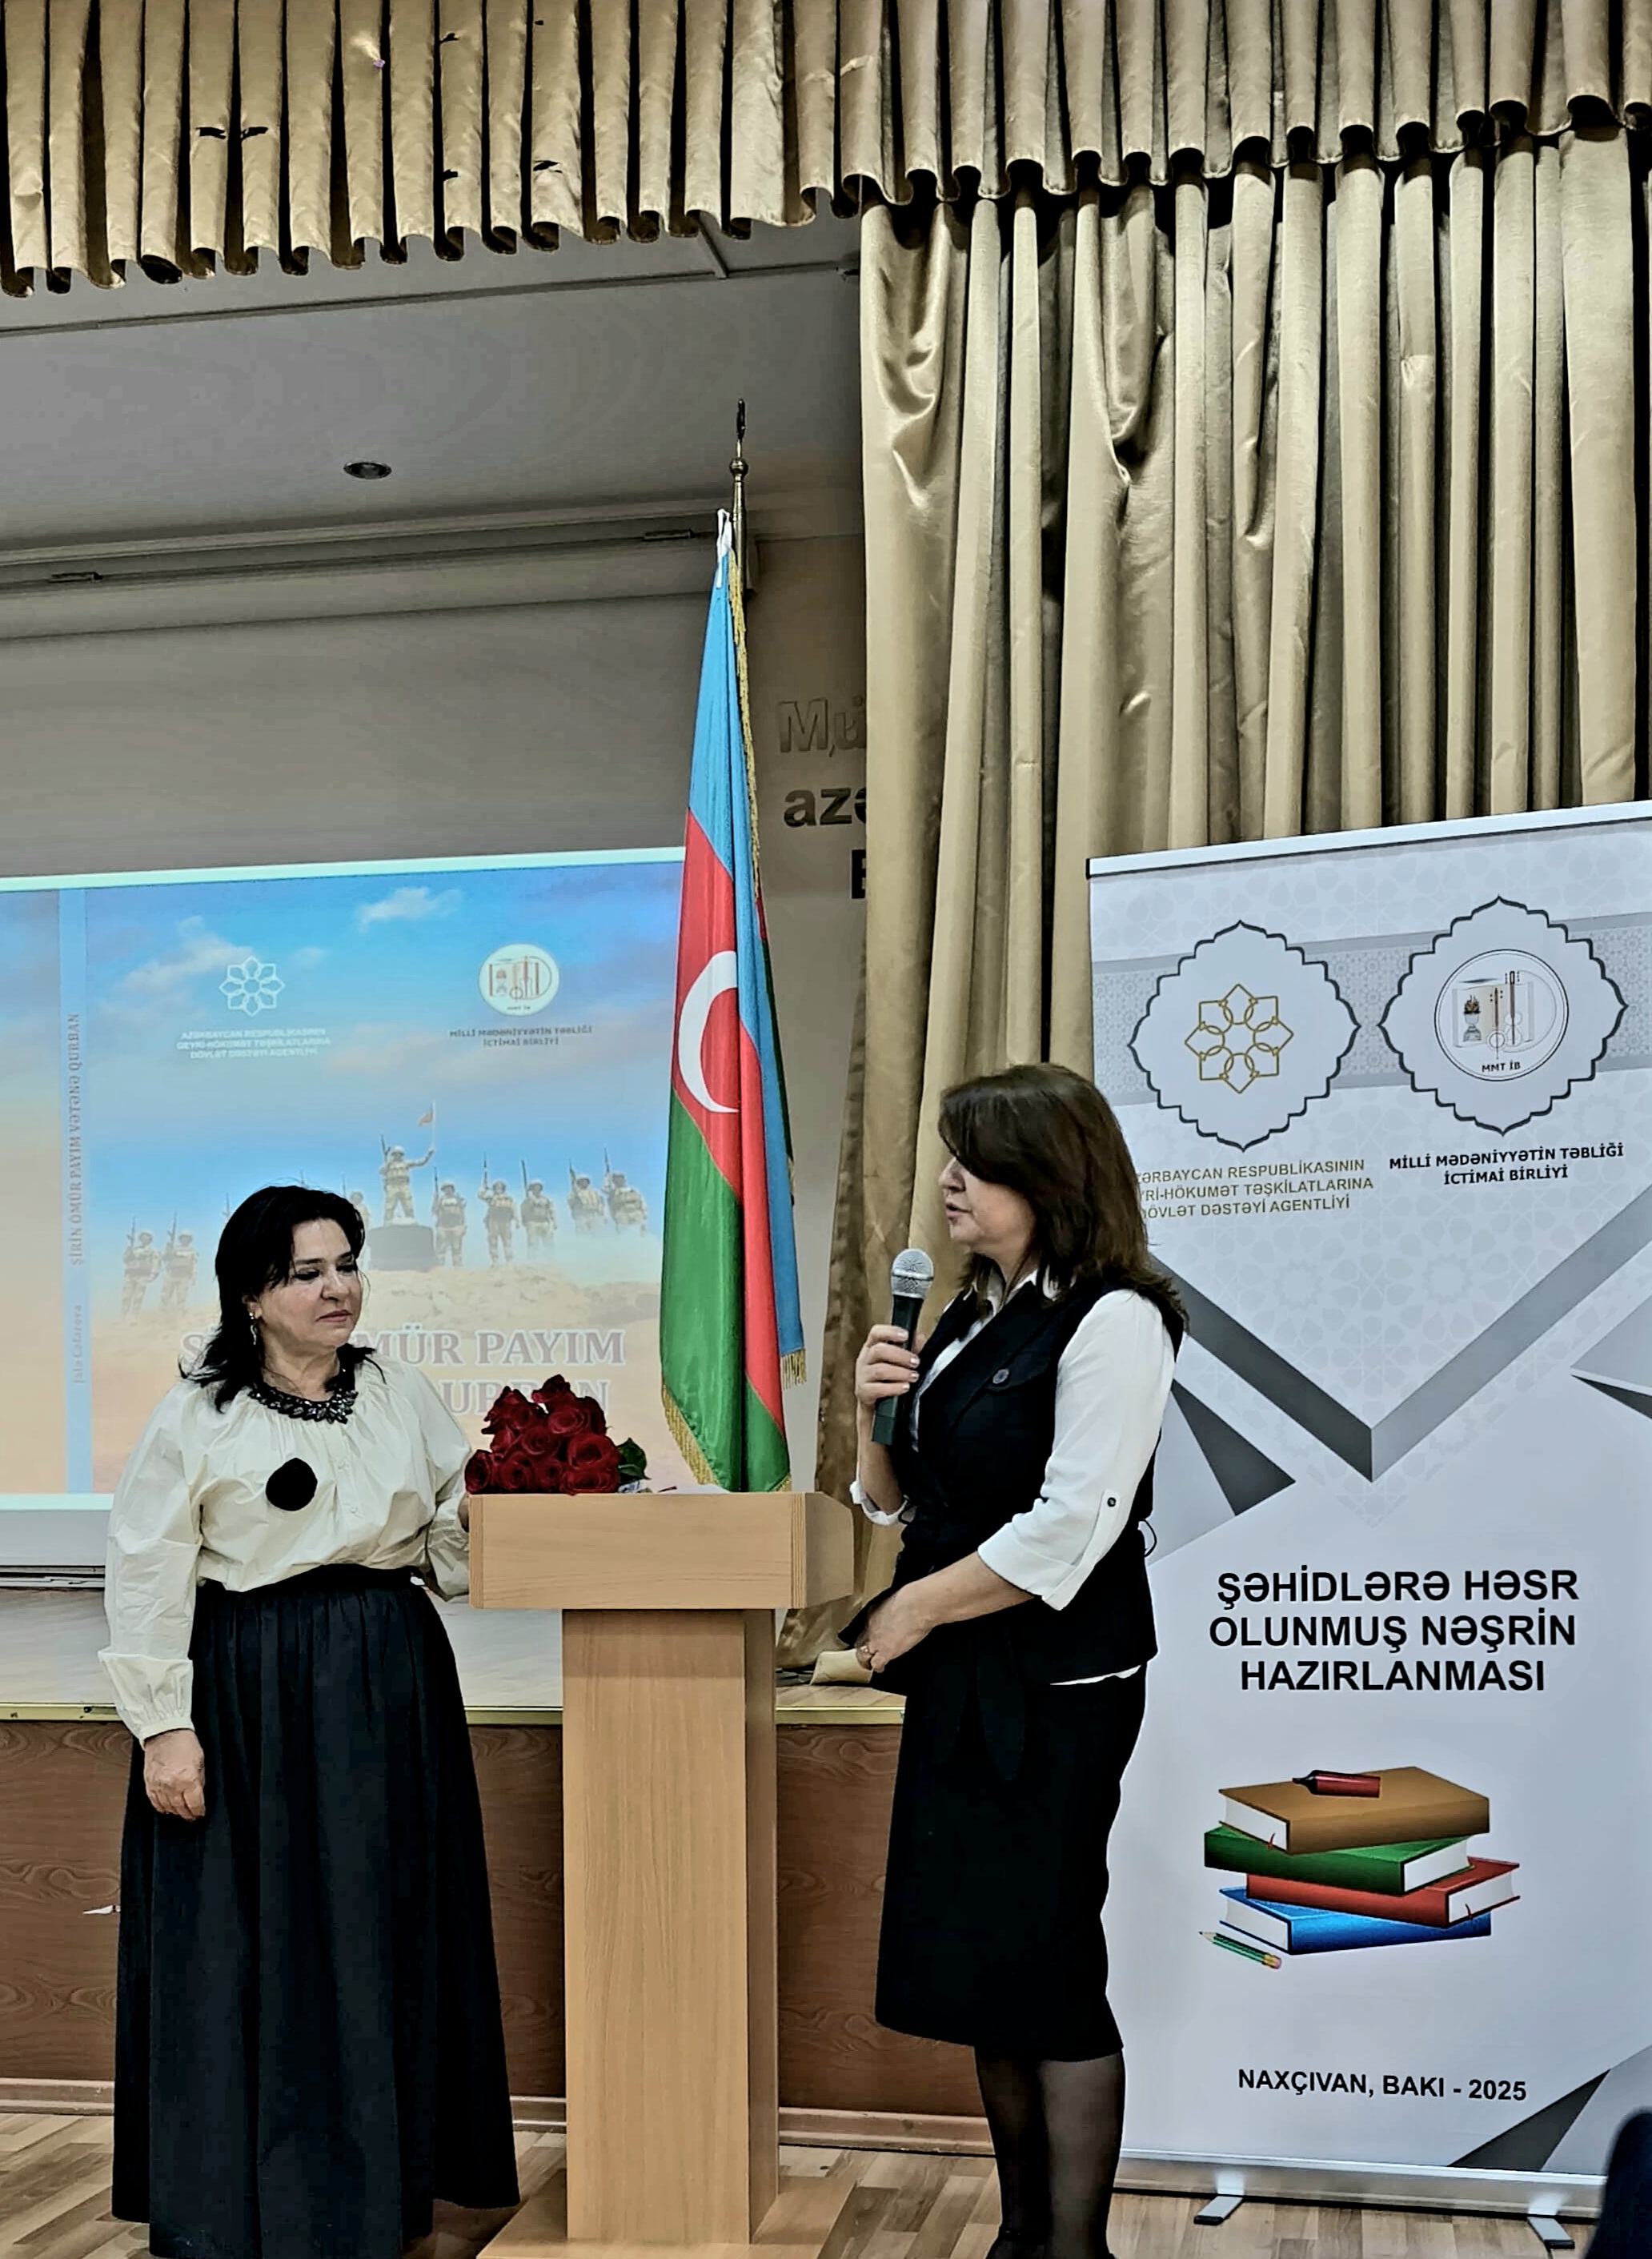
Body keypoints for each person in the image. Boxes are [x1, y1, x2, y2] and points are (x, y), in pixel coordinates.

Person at [101, 1186, 519, 2259]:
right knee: (257, 1934)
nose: (338, 1288)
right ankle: (250, 2204)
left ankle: (384, 2190)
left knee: (380, 1921)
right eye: (307, 1272)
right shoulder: (198, 1413)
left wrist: (540, 1501)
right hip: (251, 1687)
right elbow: (147, 1569)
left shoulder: (396, 1389)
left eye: (347, 1265)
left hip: (387, 1673)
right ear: (251, 1294)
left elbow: (450, 1541)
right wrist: (164, 1726)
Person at [844, 1064, 1182, 2259]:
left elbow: (1070, 1524)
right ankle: (1019, 2234)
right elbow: (901, 1501)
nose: (950, 1180)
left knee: (1049, 1962)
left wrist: (913, 1609)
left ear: (1050, 1179)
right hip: (964, 1674)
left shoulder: (1117, 1318)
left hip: (1059, 1688)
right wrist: (873, 1419)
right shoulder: (969, 1311)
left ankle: (1073, 2247)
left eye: (976, 1162)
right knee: (989, 1966)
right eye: (951, 1156)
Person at [520, 1179, 556, 1258]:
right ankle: (532, 1259)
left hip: (545, 1222)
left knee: (548, 1242)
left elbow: (551, 1210)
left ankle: (550, 1259)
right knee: (533, 1242)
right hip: (533, 1222)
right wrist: (524, 1221)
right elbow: (523, 1211)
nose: (537, 1189)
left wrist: (554, 1221)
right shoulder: (528, 1200)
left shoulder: (546, 1199)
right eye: (535, 1187)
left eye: (538, 1187)